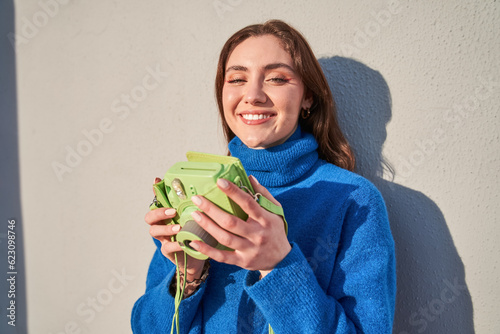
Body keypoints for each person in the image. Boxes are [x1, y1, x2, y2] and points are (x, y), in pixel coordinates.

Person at [131, 19, 396, 333]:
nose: (253, 94)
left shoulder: (353, 200)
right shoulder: (195, 191)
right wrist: (188, 277)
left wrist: (278, 265)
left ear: (308, 97)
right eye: (237, 79)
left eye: (276, 78)